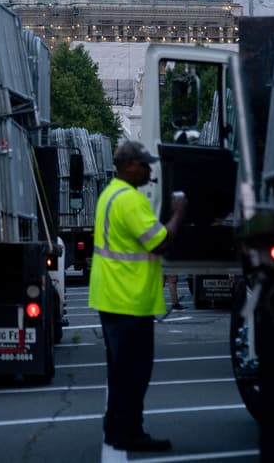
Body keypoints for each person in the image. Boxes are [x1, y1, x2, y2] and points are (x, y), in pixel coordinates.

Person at [90, 139, 187, 453]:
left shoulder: (109, 194)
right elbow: (159, 242)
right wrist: (178, 213)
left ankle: (115, 429)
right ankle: (130, 431)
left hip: (111, 297)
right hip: (130, 300)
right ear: (128, 165)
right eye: (144, 164)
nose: (149, 169)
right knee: (134, 374)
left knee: (119, 373)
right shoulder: (130, 201)